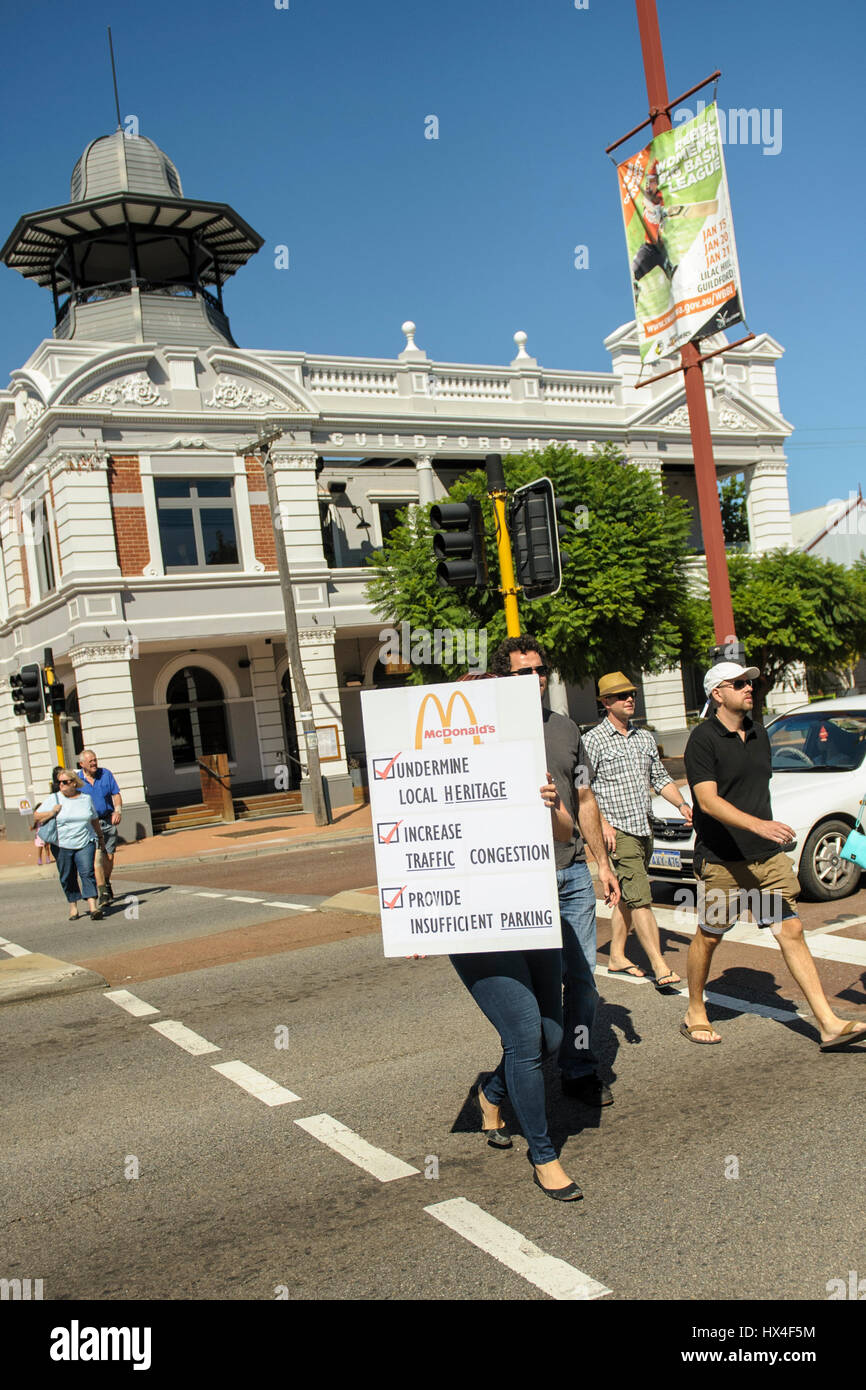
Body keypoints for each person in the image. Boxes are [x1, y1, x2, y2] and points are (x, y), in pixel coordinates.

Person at [448, 673, 586, 1200]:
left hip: (532, 911)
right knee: (525, 1035)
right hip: (478, 924)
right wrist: (415, 916)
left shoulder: (526, 760)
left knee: (551, 1035)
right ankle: (545, 1155)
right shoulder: (438, 769)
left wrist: (551, 804)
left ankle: (492, 1092)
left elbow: (566, 834)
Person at [682, 660, 866, 1050]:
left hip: (765, 859)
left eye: (750, 682)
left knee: (792, 930)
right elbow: (708, 801)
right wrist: (759, 825)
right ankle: (695, 1009)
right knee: (711, 936)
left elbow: (760, 789)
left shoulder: (759, 733)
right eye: (739, 683)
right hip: (723, 860)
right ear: (718, 693)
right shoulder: (703, 739)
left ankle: (828, 1023)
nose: (749, 688)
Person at [489, 637, 621, 1108]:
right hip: (520, 884)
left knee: (583, 982)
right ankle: (517, 1073)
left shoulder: (566, 730)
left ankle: (580, 1066)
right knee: (533, 994)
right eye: (523, 673)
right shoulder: (486, 730)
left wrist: (601, 864)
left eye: (540, 670)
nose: (536, 679)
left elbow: (584, 797)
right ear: (502, 678)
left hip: (571, 877)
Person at [582, 671, 690, 988]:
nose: (629, 699)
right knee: (641, 898)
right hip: (618, 831)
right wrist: (602, 825)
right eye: (620, 695)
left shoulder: (644, 738)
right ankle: (660, 965)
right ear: (605, 703)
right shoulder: (591, 742)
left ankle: (616, 954)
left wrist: (682, 805)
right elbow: (582, 789)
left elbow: (660, 778)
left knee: (630, 894)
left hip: (644, 827)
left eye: (631, 694)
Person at [33, 771, 107, 921]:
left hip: (85, 842)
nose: (61, 785)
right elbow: (36, 815)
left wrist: (100, 837)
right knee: (67, 876)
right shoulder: (54, 798)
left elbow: (94, 819)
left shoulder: (86, 799)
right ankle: (73, 906)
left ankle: (93, 906)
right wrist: (52, 811)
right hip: (61, 844)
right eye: (59, 782)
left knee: (87, 872)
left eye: (65, 782)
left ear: (74, 783)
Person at [76, 749, 122, 905]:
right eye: (90, 762)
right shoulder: (77, 780)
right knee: (97, 857)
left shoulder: (106, 774)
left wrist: (118, 811)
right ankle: (102, 892)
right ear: (82, 764)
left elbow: (116, 794)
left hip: (108, 821)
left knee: (109, 856)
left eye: (95, 760)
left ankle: (106, 882)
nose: (94, 763)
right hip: (90, 825)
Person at [31, 766, 64, 865]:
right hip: (57, 838)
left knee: (85, 871)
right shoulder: (53, 798)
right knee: (66, 873)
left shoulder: (78, 795)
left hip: (74, 839)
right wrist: (52, 813)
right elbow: (37, 816)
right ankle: (42, 859)